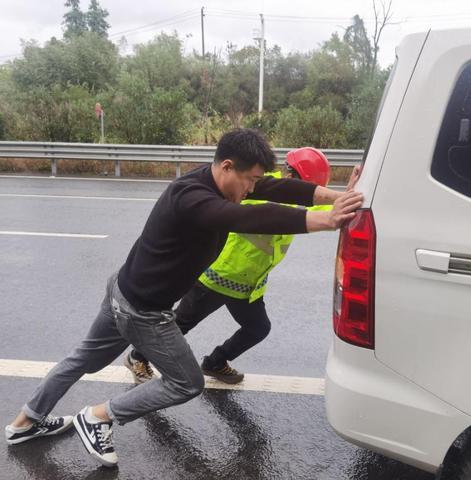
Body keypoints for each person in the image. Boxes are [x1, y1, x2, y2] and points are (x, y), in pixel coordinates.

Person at [4, 129, 363, 468]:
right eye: (250, 179)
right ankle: (98, 418)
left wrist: (335, 199)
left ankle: (24, 423)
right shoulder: (193, 198)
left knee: (82, 358)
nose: (254, 186)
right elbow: (247, 216)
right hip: (143, 310)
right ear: (227, 167)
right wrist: (325, 221)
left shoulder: (217, 181)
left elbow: (278, 190)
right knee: (186, 383)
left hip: (123, 290)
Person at [124, 147, 334, 385]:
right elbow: (276, 210)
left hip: (248, 285)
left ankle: (215, 362)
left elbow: (322, 208)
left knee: (258, 328)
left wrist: (349, 196)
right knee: (180, 324)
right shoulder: (256, 189)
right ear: (292, 177)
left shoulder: (290, 197)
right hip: (218, 277)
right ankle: (137, 356)